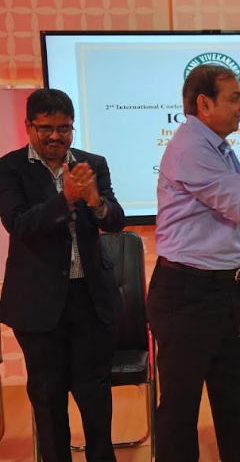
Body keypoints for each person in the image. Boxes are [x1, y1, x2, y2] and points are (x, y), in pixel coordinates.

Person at [147, 64, 240, 462]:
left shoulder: (216, 147)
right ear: (204, 104)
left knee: (234, 400)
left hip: (217, 290)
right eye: (234, 98)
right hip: (187, 293)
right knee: (180, 410)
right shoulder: (193, 149)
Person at [0, 88, 125, 462]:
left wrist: (95, 201)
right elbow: (18, 224)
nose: (55, 136)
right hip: (37, 303)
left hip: (90, 298)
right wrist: (66, 199)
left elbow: (115, 221)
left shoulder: (92, 163)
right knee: (48, 395)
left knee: (95, 394)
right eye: (46, 128)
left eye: (64, 128)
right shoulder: (9, 168)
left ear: (73, 127)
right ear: (29, 126)